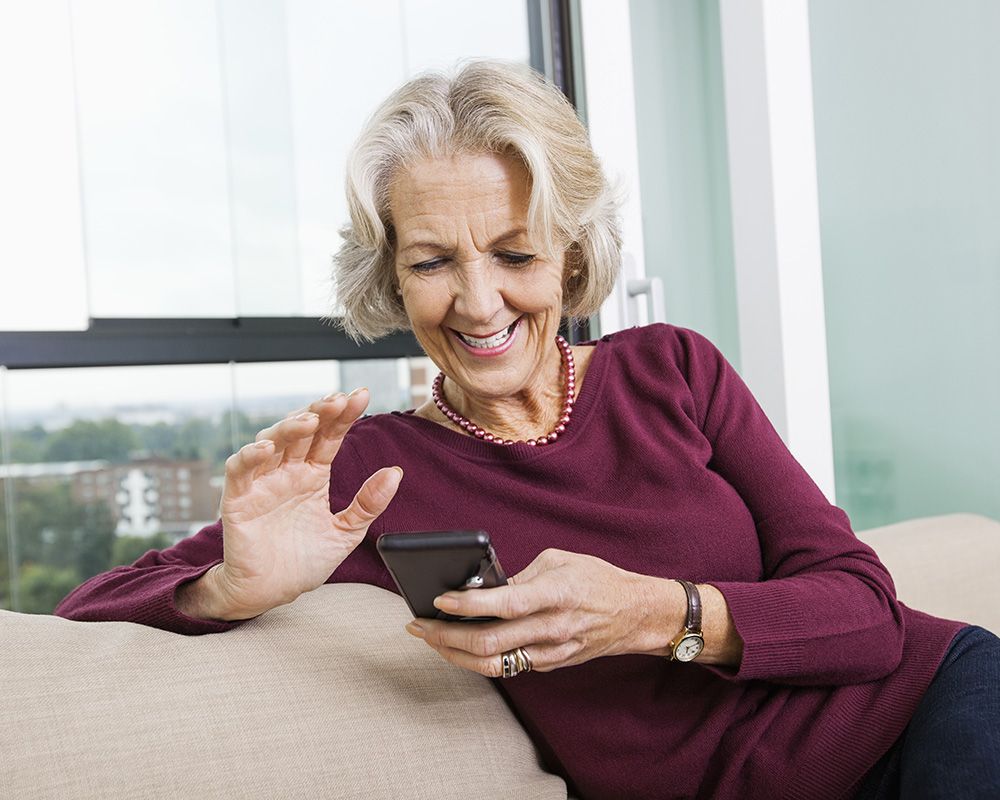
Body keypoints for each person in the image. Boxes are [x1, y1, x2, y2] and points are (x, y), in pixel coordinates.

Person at [54, 60, 999, 799]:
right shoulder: (377, 468)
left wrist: (655, 614)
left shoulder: (672, 368)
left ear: (572, 253)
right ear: (391, 275)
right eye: (432, 261)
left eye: (513, 252)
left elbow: (867, 614)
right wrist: (228, 587)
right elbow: (81, 616)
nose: (477, 302)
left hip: (934, 711)